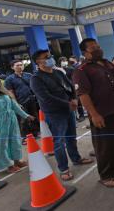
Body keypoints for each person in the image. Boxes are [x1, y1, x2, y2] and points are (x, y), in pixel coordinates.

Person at [30, 49, 93, 181]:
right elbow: (45, 97)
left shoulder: (58, 72)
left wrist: (74, 99)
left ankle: (76, 158)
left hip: (69, 109)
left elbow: (70, 87)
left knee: (71, 137)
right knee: (59, 141)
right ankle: (63, 168)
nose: (50, 58)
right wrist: (67, 103)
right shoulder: (36, 79)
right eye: (46, 57)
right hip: (54, 113)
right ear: (38, 62)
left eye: (50, 56)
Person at [73, 38, 114, 187]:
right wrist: (94, 114)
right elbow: (83, 94)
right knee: (104, 145)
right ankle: (106, 174)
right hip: (101, 113)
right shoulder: (81, 70)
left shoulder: (107, 63)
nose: (98, 49)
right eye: (93, 48)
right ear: (85, 53)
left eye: (98, 46)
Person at [4, 60, 39, 142]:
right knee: (23, 119)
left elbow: (34, 87)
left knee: (34, 116)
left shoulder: (29, 75)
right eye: (17, 65)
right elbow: (10, 92)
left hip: (32, 99)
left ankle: (35, 133)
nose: (20, 66)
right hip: (20, 101)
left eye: (21, 65)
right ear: (12, 67)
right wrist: (16, 103)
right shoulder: (9, 79)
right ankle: (25, 137)